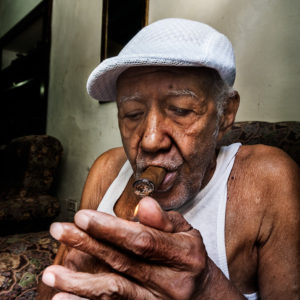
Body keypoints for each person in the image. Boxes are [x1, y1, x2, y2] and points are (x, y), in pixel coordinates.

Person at [37, 18, 300, 299]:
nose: (150, 140)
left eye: (181, 110)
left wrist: (208, 286)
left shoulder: (269, 178)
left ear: (225, 114)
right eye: (133, 114)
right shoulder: (106, 169)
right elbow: (53, 284)